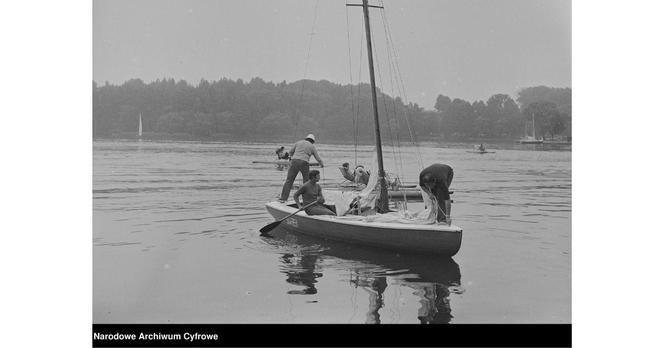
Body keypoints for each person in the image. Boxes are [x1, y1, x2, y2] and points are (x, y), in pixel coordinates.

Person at [278, 134, 324, 202]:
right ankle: (307, 199)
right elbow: (318, 158)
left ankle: (283, 198)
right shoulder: (312, 146)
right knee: (306, 182)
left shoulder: (298, 142)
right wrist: (321, 164)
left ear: (306, 138)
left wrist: (292, 157)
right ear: (313, 141)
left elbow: (290, 152)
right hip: (304, 163)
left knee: (289, 181)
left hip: (294, 161)